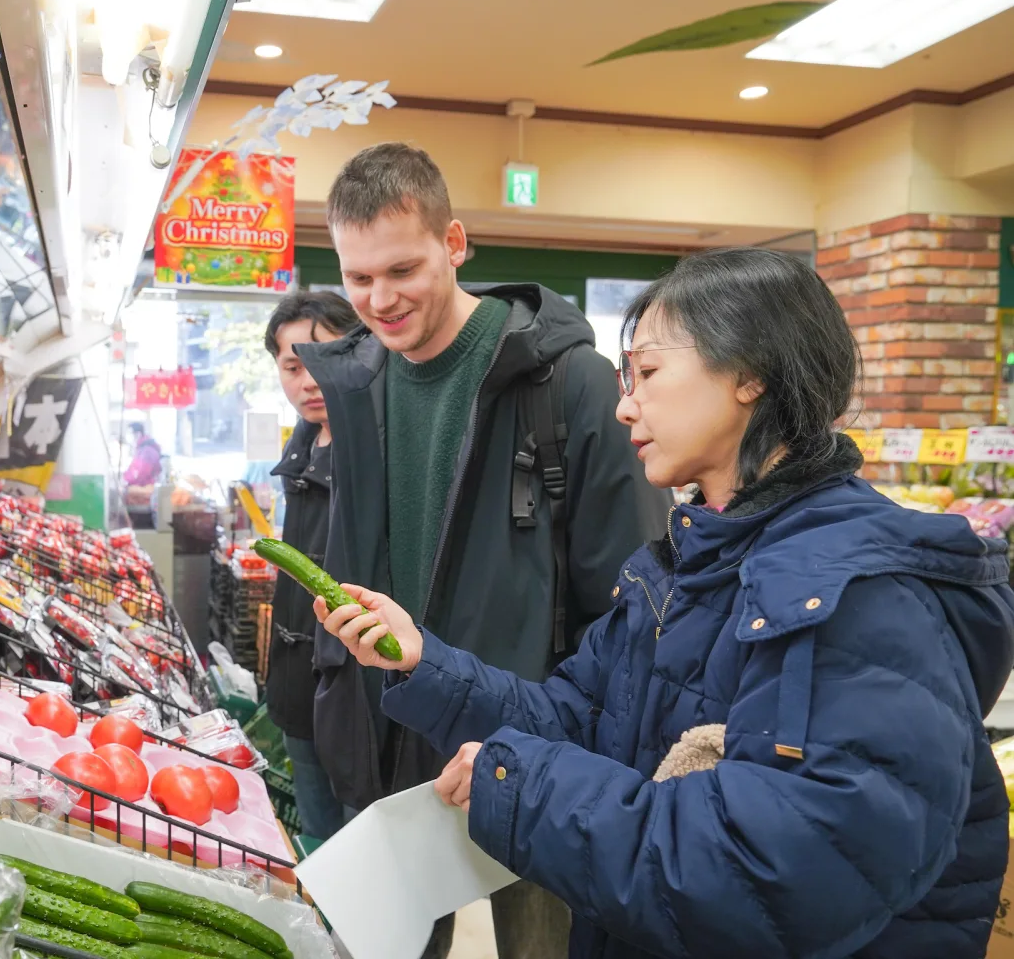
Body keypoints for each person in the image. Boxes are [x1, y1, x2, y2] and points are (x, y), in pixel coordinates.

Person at [318, 247, 1014, 959]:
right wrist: (425, 661)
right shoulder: (688, 565)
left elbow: (768, 876)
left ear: (751, 374)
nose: (624, 404)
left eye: (648, 373)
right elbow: (576, 719)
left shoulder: (861, 596)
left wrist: (530, 788)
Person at [296, 142, 669, 958]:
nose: (380, 300)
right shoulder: (354, 389)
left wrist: (574, 754)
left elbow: (635, 605)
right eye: (359, 279)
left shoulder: (569, 385)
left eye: (403, 270)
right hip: (391, 745)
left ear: (455, 243)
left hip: (538, 755)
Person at [263, 290, 361, 841]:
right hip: (297, 690)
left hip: (359, 697)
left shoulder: (377, 446)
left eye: (321, 361)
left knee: (365, 855)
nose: (308, 380)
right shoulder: (302, 446)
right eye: (293, 366)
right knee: (318, 848)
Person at [123, 422, 162, 487]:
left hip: (143, 491)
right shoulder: (142, 449)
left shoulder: (147, 452)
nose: (128, 436)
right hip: (142, 489)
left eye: (130, 433)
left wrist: (126, 479)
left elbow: (141, 474)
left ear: (138, 434)